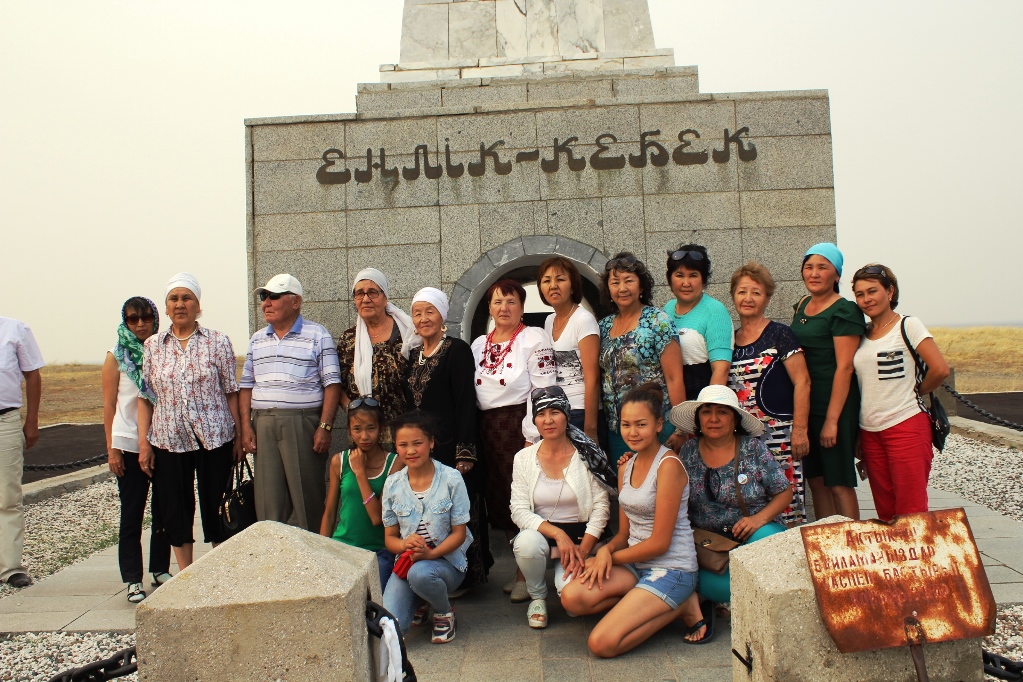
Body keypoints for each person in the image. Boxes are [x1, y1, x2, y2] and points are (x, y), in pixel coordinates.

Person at [560, 384, 705, 657]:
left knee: (601, 644)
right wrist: (607, 550)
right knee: (571, 599)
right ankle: (650, 601)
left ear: (659, 424)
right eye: (626, 425)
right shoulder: (626, 464)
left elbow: (660, 543)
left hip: (672, 568)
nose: (633, 432)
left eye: (641, 424)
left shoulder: (669, 467)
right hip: (635, 565)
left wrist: (609, 557)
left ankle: (682, 604)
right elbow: (624, 534)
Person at [138, 273, 243, 571]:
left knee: (217, 506)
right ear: (166, 307)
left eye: (187, 298)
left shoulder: (217, 341)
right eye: (174, 299)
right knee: (176, 508)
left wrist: (239, 435)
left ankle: (221, 571)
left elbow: (231, 392)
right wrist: (143, 443)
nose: (180, 304)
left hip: (215, 438)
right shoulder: (153, 346)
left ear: (198, 305)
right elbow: (146, 398)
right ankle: (186, 574)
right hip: (168, 440)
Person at [670, 385, 793, 610]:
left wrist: (758, 520)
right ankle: (728, 596)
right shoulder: (687, 451)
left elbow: (784, 492)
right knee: (706, 582)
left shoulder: (752, 449)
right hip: (709, 545)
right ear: (698, 419)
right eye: (706, 411)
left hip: (754, 535)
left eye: (722, 412)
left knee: (770, 546)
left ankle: (724, 600)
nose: (714, 419)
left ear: (735, 420)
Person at [470, 278, 556, 592]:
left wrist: (531, 435)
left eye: (511, 301)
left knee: (524, 498)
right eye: (497, 301)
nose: (503, 307)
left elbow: (543, 388)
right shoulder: (480, 344)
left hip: (519, 425)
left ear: (521, 308)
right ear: (489, 308)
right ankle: (522, 568)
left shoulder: (533, 338)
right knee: (500, 501)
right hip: (488, 431)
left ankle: (528, 577)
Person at [240, 274, 342, 533]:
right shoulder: (257, 339)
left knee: (307, 499)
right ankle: (274, 563)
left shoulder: (317, 334)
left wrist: (325, 427)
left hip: (302, 424)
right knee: (268, 503)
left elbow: (332, 383)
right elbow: (246, 386)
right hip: (263, 424)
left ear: (295, 302)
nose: (266, 303)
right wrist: (246, 428)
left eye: (273, 296)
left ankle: (315, 562)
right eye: (264, 297)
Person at [405, 287, 491, 591]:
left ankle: (469, 575)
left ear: (442, 315)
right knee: (433, 514)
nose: (423, 318)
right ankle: (439, 574)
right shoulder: (413, 355)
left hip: (453, 447)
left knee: (460, 511)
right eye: (418, 313)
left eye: (430, 311)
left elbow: (466, 401)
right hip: (424, 451)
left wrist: (465, 451)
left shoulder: (456, 349)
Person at [509, 385, 614, 629]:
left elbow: (601, 506)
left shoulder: (588, 454)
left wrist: (585, 548)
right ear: (534, 420)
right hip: (545, 537)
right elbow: (519, 509)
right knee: (526, 543)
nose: (548, 420)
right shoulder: (523, 458)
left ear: (567, 414)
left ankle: (564, 578)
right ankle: (537, 596)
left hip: (582, 539)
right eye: (541, 414)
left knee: (572, 602)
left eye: (555, 412)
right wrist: (557, 534)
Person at [852, 264, 950, 521]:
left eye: (872, 291)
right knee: (885, 512)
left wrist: (918, 389)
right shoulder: (862, 334)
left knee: (912, 511)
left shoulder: (908, 325)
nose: (866, 299)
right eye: (860, 294)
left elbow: (940, 369)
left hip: (906, 425)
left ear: (890, 291)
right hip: (870, 432)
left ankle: (921, 561)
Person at [728, 262, 811, 525]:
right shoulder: (728, 339)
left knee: (787, 501)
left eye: (756, 292)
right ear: (733, 296)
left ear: (767, 298)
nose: (748, 298)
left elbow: (803, 382)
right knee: (751, 500)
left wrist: (800, 430)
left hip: (780, 437)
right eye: (742, 292)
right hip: (743, 438)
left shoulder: (780, 334)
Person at [102, 296, 172, 602]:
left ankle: (160, 568)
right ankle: (132, 578)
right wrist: (112, 448)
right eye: (133, 319)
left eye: (146, 318)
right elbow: (108, 406)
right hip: (128, 442)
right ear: (125, 321)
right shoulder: (116, 356)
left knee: (166, 510)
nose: (141, 324)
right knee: (132, 513)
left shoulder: (165, 350)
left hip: (165, 441)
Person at [382, 411, 472, 644]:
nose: (411, 451)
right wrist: (403, 544)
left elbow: (459, 534)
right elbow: (390, 538)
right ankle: (422, 599)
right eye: (403, 445)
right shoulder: (392, 485)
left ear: (431, 443)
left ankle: (443, 610)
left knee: (421, 574)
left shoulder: (451, 478)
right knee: (392, 631)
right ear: (396, 447)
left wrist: (430, 554)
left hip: (445, 564)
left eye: (417, 443)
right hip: (407, 563)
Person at [791, 243, 866, 521]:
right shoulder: (801, 304)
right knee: (817, 481)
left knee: (839, 482)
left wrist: (832, 420)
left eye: (823, 267)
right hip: (807, 406)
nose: (814, 273)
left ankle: (854, 543)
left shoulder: (843, 310)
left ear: (836, 275)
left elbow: (845, 368)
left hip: (834, 406)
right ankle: (825, 543)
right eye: (809, 266)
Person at [598, 252, 685, 459]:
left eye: (629, 281)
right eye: (615, 282)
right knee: (627, 486)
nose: (622, 288)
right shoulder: (603, 326)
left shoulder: (658, 321)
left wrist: (681, 428)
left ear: (641, 287)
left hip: (657, 425)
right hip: (619, 430)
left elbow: (674, 377)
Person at [320, 397, 402, 589]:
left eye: (370, 428)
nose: (364, 436)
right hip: (342, 546)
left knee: (373, 603)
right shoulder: (339, 461)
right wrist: (322, 550)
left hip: (379, 551)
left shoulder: (395, 463)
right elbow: (330, 512)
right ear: (349, 431)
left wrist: (359, 473)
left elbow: (378, 518)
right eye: (357, 429)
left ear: (381, 429)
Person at [336, 268, 417, 432]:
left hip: (405, 428)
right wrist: (353, 411)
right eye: (359, 293)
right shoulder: (348, 339)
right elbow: (337, 383)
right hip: (363, 430)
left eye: (372, 292)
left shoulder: (408, 333)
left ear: (385, 297)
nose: (365, 299)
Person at [0, 317, 43, 588]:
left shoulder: (15, 330)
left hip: (6, 421)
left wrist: (32, 420)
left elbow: (33, 375)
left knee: (8, 495)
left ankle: (10, 568)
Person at [538, 257, 600, 441]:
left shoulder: (583, 320)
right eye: (547, 280)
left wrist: (590, 429)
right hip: (557, 411)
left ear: (573, 286)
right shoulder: (549, 321)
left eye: (560, 279)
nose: (553, 285)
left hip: (580, 412)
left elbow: (593, 377)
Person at [662, 244, 734, 398]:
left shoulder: (715, 311)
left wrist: (707, 410)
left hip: (701, 400)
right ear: (670, 280)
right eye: (679, 275)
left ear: (703, 281)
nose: (686, 283)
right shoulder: (667, 310)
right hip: (670, 402)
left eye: (693, 275)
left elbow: (721, 371)